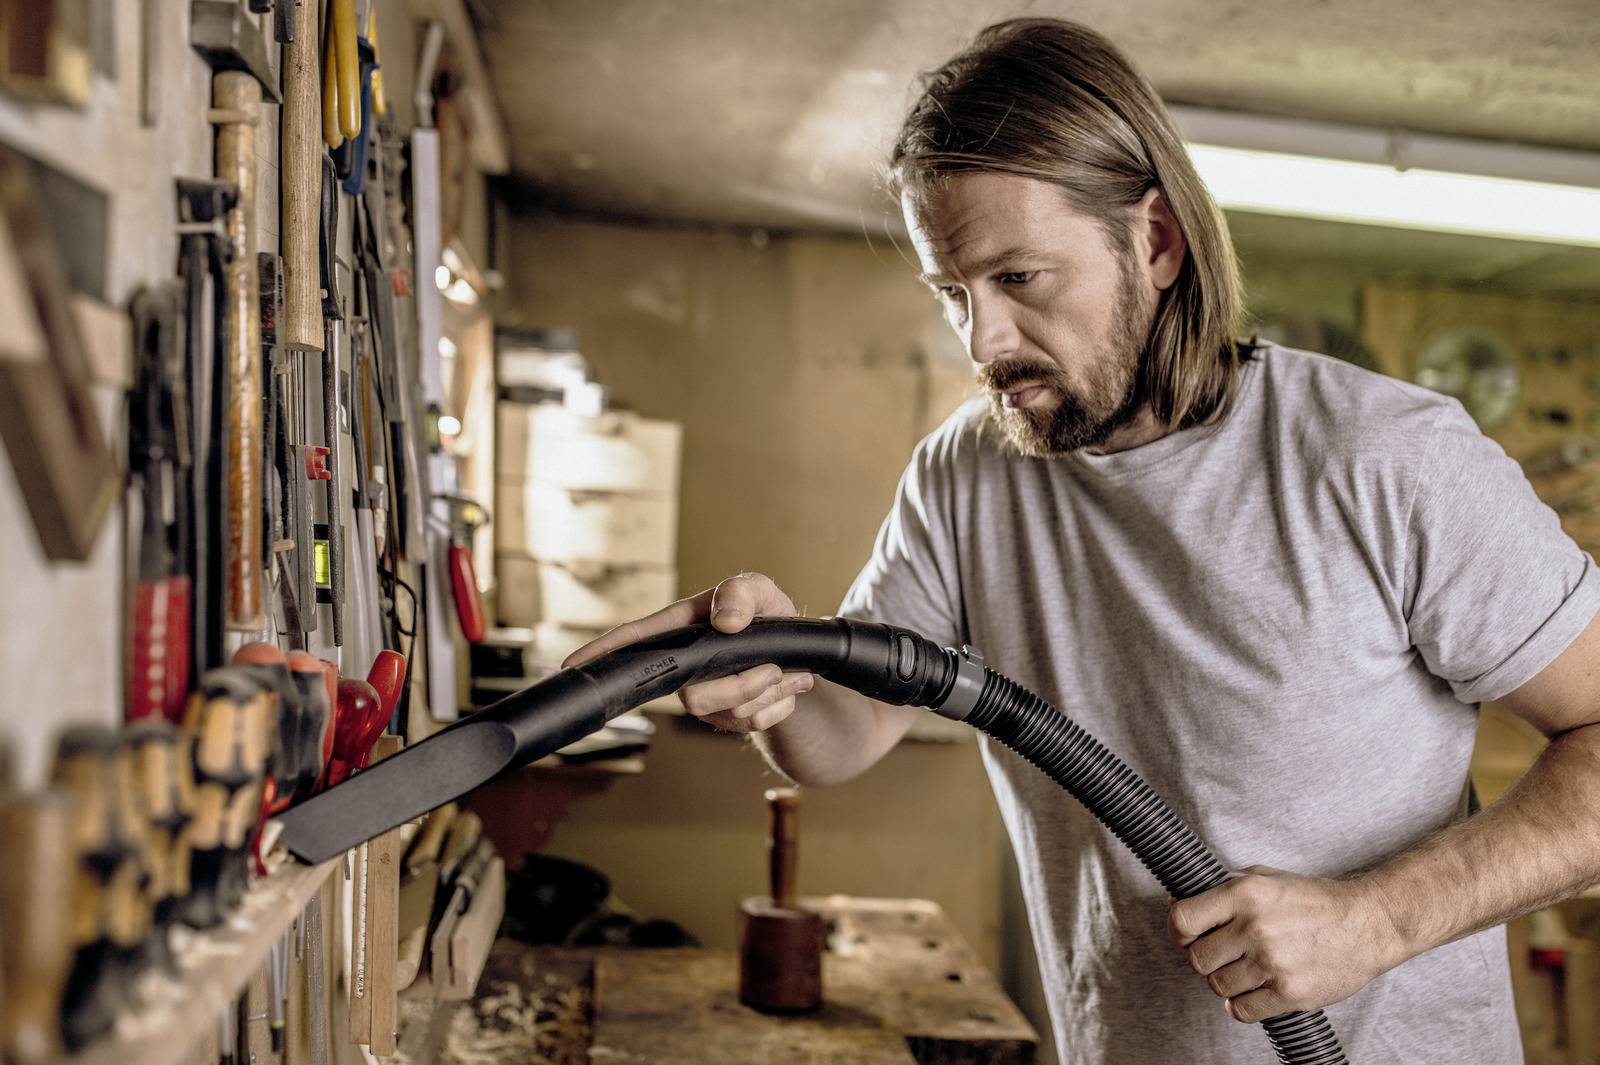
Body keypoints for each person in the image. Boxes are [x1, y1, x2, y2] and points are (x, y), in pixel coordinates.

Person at [565, 17, 1600, 1064]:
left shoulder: (1384, 459)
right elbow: (837, 740)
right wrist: (771, 664)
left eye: (1019, 279)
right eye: (951, 294)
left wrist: (1375, 923)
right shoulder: (968, 472)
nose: (984, 343)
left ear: (1154, 241)